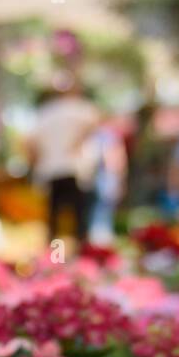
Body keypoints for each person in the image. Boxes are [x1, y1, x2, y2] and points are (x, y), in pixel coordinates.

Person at [28, 83, 100, 247]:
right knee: (79, 218)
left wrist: (38, 161)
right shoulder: (81, 108)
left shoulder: (45, 113)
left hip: (51, 170)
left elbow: (29, 142)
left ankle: (55, 260)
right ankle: (81, 259)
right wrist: (77, 143)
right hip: (74, 169)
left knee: (55, 220)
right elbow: (95, 122)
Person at [87, 117, 128, 245]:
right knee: (102, 212)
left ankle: (99, 242)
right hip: (105, 180)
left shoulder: (99, 136)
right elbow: (115, 160)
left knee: (100, 212)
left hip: (100, 179)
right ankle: (101, 242)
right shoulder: (108, 136)